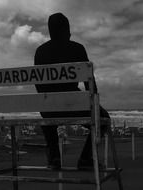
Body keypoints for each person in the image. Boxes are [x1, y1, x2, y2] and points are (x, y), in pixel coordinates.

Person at [34, 13, 110, 170]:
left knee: (47, 110)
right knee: (104, 120)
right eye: (68, 29)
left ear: (50, 31)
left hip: (48, 108)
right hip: (73, 105)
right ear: (65, 30)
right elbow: (90, 86)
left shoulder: (40, 52)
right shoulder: (77, 48)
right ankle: (85, 159)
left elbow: (39, 86)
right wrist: (94, 105)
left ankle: (54, 157)